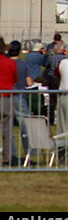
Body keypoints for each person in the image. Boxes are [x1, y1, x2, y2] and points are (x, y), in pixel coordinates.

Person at [0, 38, 19, 167]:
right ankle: (6, 156)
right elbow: (14, 79)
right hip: (6, 97)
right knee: (7, 129)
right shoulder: (10, 63)